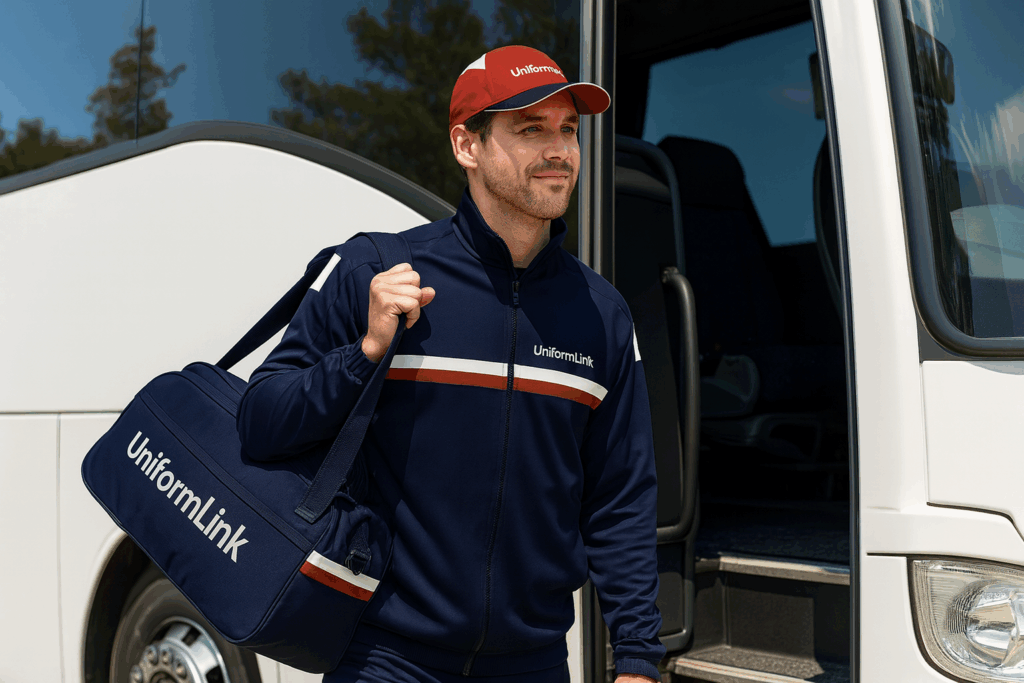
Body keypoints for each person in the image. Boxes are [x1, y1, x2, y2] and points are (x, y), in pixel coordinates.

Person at [237, 44, 665, 683]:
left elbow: (620, 498)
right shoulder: (374, 271)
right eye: (530, 129)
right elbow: (260, 420)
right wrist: (365, 355)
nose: (560, 150)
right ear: (468, 145)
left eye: (568, 130)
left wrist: (636, 657)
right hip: (385, 657)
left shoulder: (602, 314)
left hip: (535, 664)